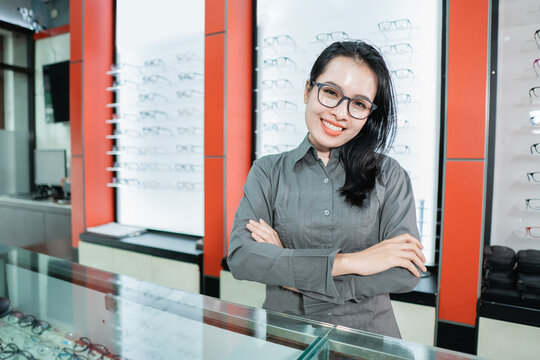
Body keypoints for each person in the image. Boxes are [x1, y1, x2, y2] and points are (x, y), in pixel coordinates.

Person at [227, 40, 427, 338]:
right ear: (309, 90)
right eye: (331, 93)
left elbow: (404, 271)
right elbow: (243, 258)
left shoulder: (390, 175)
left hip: (367, 344)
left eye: (358, 104)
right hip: (287, 340)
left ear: (369, 113)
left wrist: (290, 271)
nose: (340, 113)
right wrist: (354, 261)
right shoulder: (267, 172)